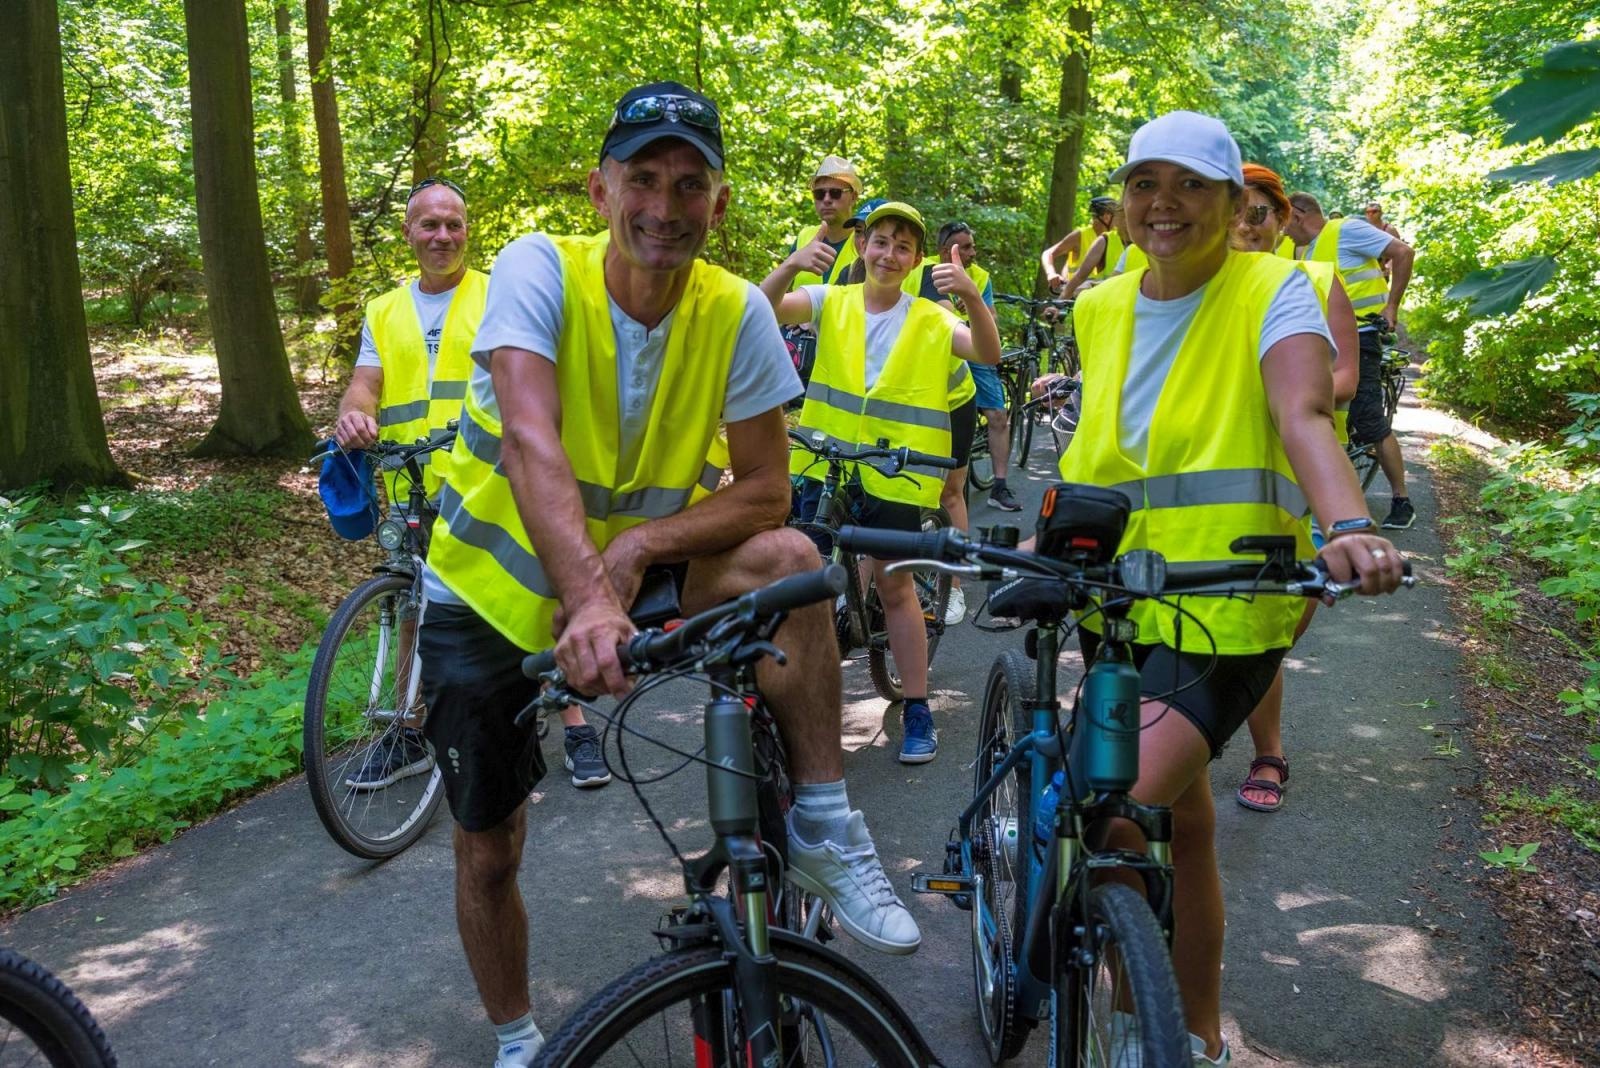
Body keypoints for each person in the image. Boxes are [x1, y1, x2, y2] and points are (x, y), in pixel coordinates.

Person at [418, 82, 922, 1068]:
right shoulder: (537, 270)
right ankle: (520, 1042)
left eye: (689, 185)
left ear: (718, 205)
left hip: (630, 581)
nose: (663, 206)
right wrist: (590, 597)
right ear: (602, 191)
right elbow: (529, 439)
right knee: (489, 847)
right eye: (642, 179)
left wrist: (642, 549)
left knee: (792, 564)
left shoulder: (733, 310)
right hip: (491, 593)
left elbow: (768, 491)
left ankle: (818, 818)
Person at [1059, 111, 1406, 1065]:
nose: (1162, 204)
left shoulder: (1275, 289)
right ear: (1123, 200)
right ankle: (1198, 1034)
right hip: (1112, 597)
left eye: (1189, 186)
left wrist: (1347, 526)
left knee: (1116, 806)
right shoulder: (1101, 306)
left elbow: (1302, 413)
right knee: (1186, 821)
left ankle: (1137, 1032)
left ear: (1230, 203)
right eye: (1143, 183)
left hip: (1233, 601)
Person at [763, 201, 1000, 764]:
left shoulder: (931, 317)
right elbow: (763, 309)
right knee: (802, 593)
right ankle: (798, 710)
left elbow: (987, 353)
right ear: (863, 246)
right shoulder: (831, 300)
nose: (889, 255)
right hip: (823, 468)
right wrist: (792, 264)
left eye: (903, 247)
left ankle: (917, 707)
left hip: (895, 475)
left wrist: (968, 294)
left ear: (917, 259)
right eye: (880, 242)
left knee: (895, 590)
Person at [331, 177, 493, 791]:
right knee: (409, 604)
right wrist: (354, 412)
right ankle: (407, 733)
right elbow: (365, 383)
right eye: (430, 225)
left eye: (453, 223)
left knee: (507, 598)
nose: (443, 235)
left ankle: (567, 720)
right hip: (408, 480)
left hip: (485, 478)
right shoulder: (384, 310)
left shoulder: (497, 295)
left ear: (466, 231)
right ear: (409, 233)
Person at [1229, 163, 1360, 815]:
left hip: (1290, 484)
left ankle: (1267, 752)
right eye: (1233, 212)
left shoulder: (1315, 280)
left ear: (1283, 220)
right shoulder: (1196, 288)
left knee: (1266, 637)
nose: (1243, 227)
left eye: (1258, 213)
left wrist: (1283, 385)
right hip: (1207, 482)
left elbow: (1344, 380)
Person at [1285, 191, 1419, 529]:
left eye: (1286, 223)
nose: (1283, 232)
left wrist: (1391, 307)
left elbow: (1402, 252)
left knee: (1369, 418)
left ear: (1297, 215)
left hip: (1360, 338)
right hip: (1318, 342)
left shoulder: (1345, 230)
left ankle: (1402, 500)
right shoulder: (1300, 249)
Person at [785, 154, 863, 288]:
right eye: (819, 194)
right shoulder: (804, 237)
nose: (826, 199)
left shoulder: (866, 242)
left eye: (835, 193)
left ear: (853, 197)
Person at [1040, 195, 1117, 292]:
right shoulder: (1080, 236)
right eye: (1116, 216)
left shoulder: (1116, 237)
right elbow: (1048, 254)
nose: (1118, 221)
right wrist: (1051, 273)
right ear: (1106, 217)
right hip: (1076, 298)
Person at [1058, 202, 1131, 299]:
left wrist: (1093, 285)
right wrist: (1059, 304)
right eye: (1123, 216)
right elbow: (1079, 276)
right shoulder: (1104, 240)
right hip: (1107, 305)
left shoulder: (1148, 244)